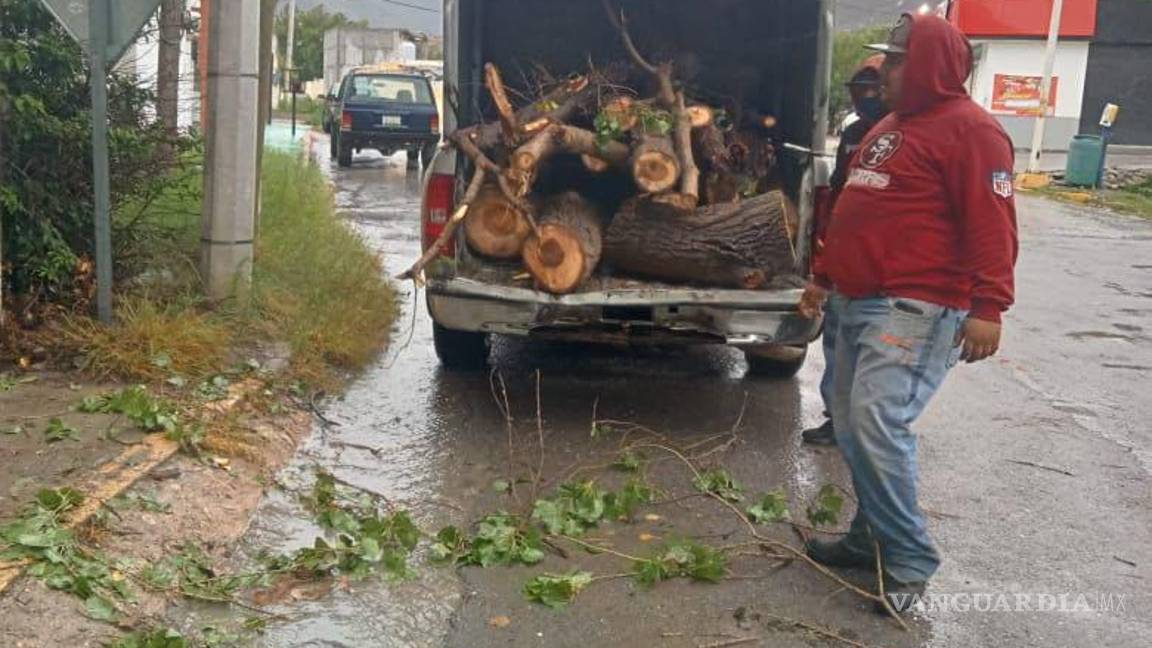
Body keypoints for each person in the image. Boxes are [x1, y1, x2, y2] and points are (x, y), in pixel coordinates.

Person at [797, 14, 1018, 612]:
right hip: (854, 300)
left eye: (894, 60)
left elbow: (993, 225)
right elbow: (853, 207)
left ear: (927, 66)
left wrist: (989, 305)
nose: (881, 71)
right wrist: (822, 277)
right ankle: (869, 537)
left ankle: (910, 561)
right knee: (848, 424)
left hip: (916, 306)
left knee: (875, 421)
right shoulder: (890, 126)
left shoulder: (974, 133)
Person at [803, 55, 889, 447]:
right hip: (844, 252)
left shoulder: (904, 132)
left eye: (872, 90)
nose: (866, 97)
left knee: (872, 350)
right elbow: (839, 190)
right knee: (836, 338)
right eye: (860, 91)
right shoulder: (855, 133)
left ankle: (868, 426)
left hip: (885, 264)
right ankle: (837, 419)